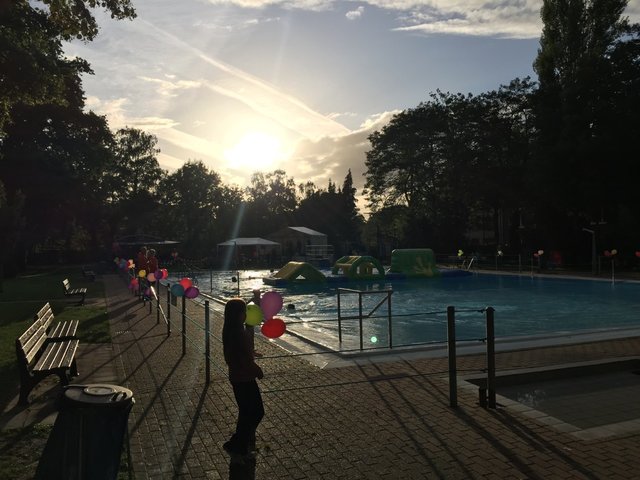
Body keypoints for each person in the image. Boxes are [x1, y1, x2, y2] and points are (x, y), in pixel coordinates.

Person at [222, 298, 264, 458]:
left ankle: (237, 444)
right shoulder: (238, 333)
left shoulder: (231, 330)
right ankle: (237, 444)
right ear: (238, 315)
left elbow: (243, 350)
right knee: (256, 412)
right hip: (245, 378)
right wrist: (257, 370)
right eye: (244, 312)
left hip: (237, 377)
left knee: (246, 412)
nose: (246, 314)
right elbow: (244, 359)